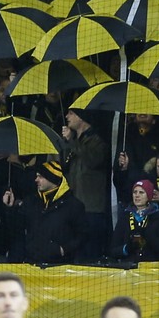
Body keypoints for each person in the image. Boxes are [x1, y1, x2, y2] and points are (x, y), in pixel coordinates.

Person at [61, 107, 110, 259]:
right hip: (74, 205)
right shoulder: (74, 140)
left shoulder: (97, 140)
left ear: (81, 117)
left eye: (71, 113)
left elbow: (93, 160)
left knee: (90, 253)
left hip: (91, 208)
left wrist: (72, 141)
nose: (67, 116)